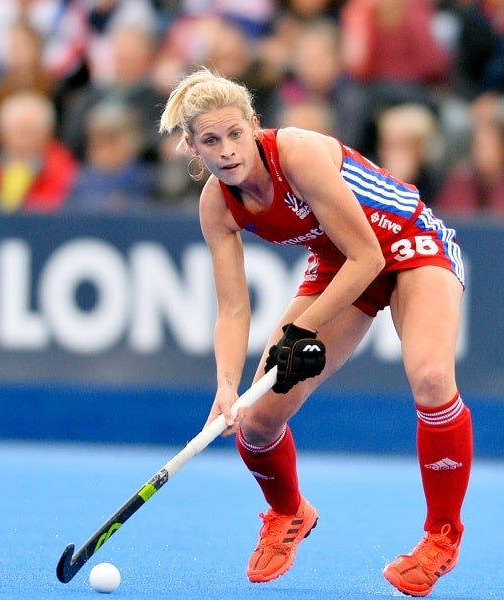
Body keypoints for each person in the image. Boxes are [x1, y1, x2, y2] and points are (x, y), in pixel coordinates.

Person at [157, 68, 472, 597]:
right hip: (338, 262)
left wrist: (300, 328)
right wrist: (226, 387)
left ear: (254, 125)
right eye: (210, 141)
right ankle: (288, 513)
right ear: (192, 147)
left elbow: (370, 255)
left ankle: (442, 535)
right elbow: (232, 309)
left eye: (235, 134)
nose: (227, 151)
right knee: (257, 420)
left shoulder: (297, 154)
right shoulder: (216, 206)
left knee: (432, 378)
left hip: (409, 244)